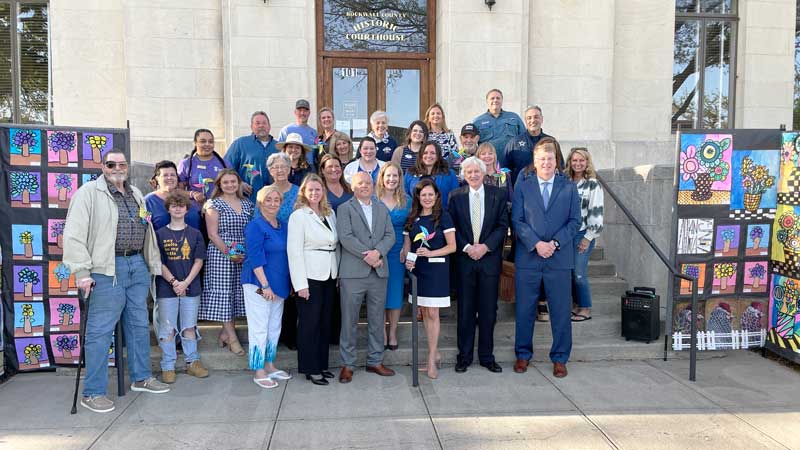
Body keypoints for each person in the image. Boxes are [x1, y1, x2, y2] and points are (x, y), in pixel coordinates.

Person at [63, 149, 169, 413]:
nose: (117, 168)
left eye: (122, 164)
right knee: (100, 331)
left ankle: (141, 377)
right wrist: (82, 273)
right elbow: (74, 235)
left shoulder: (136, 193)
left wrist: (149, 262)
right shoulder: (88, 193)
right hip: (106, 268)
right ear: (103, 167)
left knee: (138, 325)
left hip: (137, 265)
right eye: (111, 164)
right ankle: (93, 392)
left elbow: (146, 227)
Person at [512, 137, 580, 378]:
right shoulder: (523, 185)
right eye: (541, 159)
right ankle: (522, 354)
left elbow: (575, 222)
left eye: (550, 159)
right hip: (529, 258)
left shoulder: (569, 186)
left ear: (556, 160)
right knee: (525, 309)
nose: (546, 163)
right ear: (535, 160)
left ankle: (560, 358)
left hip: (559, 259)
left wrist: (555, 243)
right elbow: (517, 220)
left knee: (561, 311)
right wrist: (536, 244)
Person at [448, 157, 509, 373]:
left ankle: (486, 357)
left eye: (477, 171)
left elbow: (502, 226)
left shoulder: (498, 195)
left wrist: (485, 247)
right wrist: (467, 248)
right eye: (469, 172)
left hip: (489, 261)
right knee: (465, 311)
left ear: (483, 173)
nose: (473, 175)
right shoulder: (455, 196)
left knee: (488, 311)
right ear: (464, 175)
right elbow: (451, 228)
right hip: (464, 261)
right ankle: (464, 357)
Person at [336, 172, 397, 383]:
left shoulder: (381, 208)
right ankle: (347, 364)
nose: (365, 186)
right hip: (353, 274)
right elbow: (345, 237)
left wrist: (377, 253)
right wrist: (368, 256)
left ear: (373, 185)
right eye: (360, 183)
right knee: (349, 320)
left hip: (378, 272)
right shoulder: (344, 209)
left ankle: (375, 361)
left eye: (368, 183)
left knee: (377, 319)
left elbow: (390, 235)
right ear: (353, 186)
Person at [287, 174, 340, 385]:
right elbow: (294, 252)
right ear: (303, 192)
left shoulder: (330, 213)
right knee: (310, 323)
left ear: (323, 192)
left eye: (318, 189)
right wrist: (300, 284)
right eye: (310, 190)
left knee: (325, 322)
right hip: (309, 276)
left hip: (329, 274)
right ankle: (310, 368)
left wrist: (337, 273)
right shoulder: (298, 216)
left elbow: (335, 245)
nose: (315, 193)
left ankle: (322, 365)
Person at [403, 179, 456, 379]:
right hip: (419, 272)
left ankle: (432, 357)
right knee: (425, 312)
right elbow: (408, 247)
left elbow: (452, 246)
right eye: (423, 194)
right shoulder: (412, 218)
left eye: (430, 194)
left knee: (433, 312)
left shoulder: (443, 217)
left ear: (436, 196)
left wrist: (430, 253)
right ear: (418, 197)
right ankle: (435, 352)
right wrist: (408, 261)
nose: (427, 198)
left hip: (437, 271)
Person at [241, 185, 293, 389]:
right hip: (259, 284)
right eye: (268, 200)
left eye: (276, 200)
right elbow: (255, 258)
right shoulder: (255, 226)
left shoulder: (284, 225)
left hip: (279, 284)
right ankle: (258, 369)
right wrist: (265, 285)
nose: (272, 203)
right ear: (260, 203)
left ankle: (270, 365)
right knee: (259, 328)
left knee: (274, 327)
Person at [154, 190, 208, 384]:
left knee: (189, 326)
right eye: (174, 206)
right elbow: (158, 262)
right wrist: (174, 282)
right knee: (168, 328)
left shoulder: (195, 233)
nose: (177, 209)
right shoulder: (159, 234)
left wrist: (185, 282)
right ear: (168, 209)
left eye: (181, 206)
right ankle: (168, 365)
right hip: (166, 287)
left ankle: (192, 362)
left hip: (191, 286)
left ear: (187, 209)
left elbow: (199, 261)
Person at [199, 169, 255, 357]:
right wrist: (229, 253)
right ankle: (232, 338)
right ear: (219, 185)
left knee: (237, 293)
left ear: (239, 183)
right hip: (221, 253)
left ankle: (225, 333)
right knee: (224, 294)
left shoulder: (247, 203)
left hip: (243, 253)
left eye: (233, 181)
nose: (230, 185)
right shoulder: (214, 204)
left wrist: (243, 253)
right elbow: (212, 234)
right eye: (226, 182)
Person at [266, 152, 301, 351]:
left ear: (290, 169)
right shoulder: (264, 193)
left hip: (295, 246)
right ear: (270, 171)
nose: (279, 170)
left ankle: (289, 334)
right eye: (275, 167)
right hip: (273, 249)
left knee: (293, 291)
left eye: (283, 166)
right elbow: (258, 220)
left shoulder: (298, 192)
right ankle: (274, 335)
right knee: (276, 289)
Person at [565, 147, 604, 322]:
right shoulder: (565, 182)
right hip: (566, 234)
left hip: (583, 234)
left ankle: (586, 308)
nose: (578, 163)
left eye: (581, 160)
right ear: (570, 162)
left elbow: (596, 212)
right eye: (574, 160)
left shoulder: (592, 184)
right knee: (569, 272)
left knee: (579, 273)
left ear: (587, 162)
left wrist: (588, 238)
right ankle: (576, 305)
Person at [318, 153, 351, 346]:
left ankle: (340, 332)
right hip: (328, 245)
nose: (334, 169)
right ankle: (328, 333)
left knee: (343, 288)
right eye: (329, 166)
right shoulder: (319, 191)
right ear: (322, 170)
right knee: (330, 289)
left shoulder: (349, 189)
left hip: (348, 244)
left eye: (337, 166)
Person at [376, 162, 410, 351]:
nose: (391, 179)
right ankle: (381, 331)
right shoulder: (373, 199)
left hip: (398, 251)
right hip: (378, 251)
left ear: (400, 178)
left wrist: (406, 246)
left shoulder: (407, 200)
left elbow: (410, 227)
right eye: (388, 175)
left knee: (395, 292)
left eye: (395, 175)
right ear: (382, 178)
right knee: (379, 293)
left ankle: (393, 332)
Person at [225, 111, 278, 203]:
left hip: (273, 201)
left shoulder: (278, 146)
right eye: (257, 123)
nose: (261, 125)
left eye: (264, 123)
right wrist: (238, 183)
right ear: (251, 127)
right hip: (247, 200)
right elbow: (225, 168)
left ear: (269, 126)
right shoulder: (240, 144)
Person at [503, 106, 557, 187]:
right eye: (529, 118)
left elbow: (560, 167)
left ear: (542, 119)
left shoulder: (551, 142)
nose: (533, 120)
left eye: (536, 117)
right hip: (521, 190)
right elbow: (504, 170)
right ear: (525, 121)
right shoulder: (514, 143)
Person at [145, 160, 202, 231]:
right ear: (157, 178)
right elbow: (143, 225)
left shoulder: (188, 199)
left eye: (172, 175)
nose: (169, 178)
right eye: (165, 175)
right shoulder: (147, 202)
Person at [178, 128, 227, 209]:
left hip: (219, 210)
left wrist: (241, 184)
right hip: (194, 211)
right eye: (203, 141)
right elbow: (177, 191)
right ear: (195, 143)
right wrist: (192, 194)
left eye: (210, 141)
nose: (207, 144)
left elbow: (233, 183)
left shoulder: (224, 164)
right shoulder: (185, 164)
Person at [473, 89, 525, 162]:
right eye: (492, 98)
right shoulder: (478, 122)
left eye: (498, 98)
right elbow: (472, 145)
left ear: (502, 100)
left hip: (512, 162)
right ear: (487, 101)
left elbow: (524, 138)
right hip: (488, 163)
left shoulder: (514, 117)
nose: (495, 100)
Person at [404, 141, 460, 207]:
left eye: (432, 153)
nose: (429, 156)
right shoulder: (410, 173)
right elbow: (405, 196)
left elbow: (456, 198)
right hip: (416, 212)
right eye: (425, 153)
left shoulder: (449, 174)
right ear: (421, 156)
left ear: (438, 156)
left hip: (442, 212)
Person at [278, 99, 318, 169]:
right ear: (295, 112)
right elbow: (280, 153)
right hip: (289, 168)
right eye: (300, 110)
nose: (302, 113)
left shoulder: (314, 133)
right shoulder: (286, 130)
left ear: (309, 113)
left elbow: (315, 154)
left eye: (305, 110)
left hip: (309, 169)